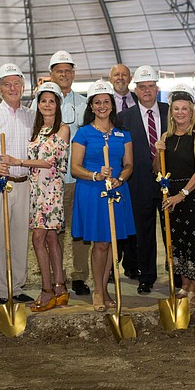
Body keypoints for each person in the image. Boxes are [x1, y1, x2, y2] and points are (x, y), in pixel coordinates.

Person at [4, 82, 70, 311]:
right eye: (43, 101)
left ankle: (47, 289)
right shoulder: (37, 129)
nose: (47, 105)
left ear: (58, 104)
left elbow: (50, 161)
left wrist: (18, 161)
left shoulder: (63, 128)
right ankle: (60, 287)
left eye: (52, 101)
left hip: (51, 191)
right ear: (38, 104)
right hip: (36, 190)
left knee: (38, 239)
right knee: (51, 238)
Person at [70, 81, 134, 311]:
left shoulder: (122, 134)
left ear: (112, 104)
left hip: (116, 190)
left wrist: (121, 178)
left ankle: (105, 288)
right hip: (92, 192)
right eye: (97, 102)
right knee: (100, 243)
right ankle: (98, 290)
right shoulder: (83, 133)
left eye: (106, 101)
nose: (102, 106)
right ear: (91, 106)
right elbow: (74, 168)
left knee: (111, 243)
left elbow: (128, 165)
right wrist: (95, 175)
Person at [0, 63, 35, 305]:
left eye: (17, 84)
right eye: (7, 84)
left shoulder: (31, 115)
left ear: (23, 87)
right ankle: (1, 289)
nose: (13, 88)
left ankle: (17, 285)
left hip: (24, 183)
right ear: (0, 89)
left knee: (21, 236)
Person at [153, 83, 195, 308]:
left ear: (191, 112)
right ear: (171, 112)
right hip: (171, 197)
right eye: (176, 108)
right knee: (176, 241)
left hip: (193, 195)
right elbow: (157, 170)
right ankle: (183, 284)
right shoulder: (166, 137)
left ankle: (194, 288)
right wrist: (158, 150)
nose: (180, 112)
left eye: (184, 109)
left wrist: (183, 194)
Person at [117, 65, 169, 294]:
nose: (147, 91)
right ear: (134, 90)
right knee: (143, 232)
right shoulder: (123, 118)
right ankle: (146, 276)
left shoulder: (171, 111)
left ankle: (176, 272)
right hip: (138, 183)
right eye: (142, 87)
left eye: (151, 86)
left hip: (170, 182)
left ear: (157, 88)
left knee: (171, 230)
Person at [48, 52, 91, 297]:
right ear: (51, 74)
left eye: (68, 70)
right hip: (51, 180)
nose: (64, 75)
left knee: (79, 229)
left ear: (73, 74)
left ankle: (79, 276)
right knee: (55, 230)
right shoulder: (41, 102)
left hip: (79, 178)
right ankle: (57, 277)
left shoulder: (85, 103)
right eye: (59, 71)